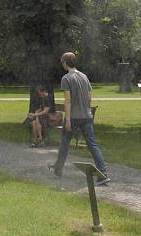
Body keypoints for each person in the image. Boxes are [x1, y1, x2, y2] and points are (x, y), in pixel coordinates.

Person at [47, 52, 109, 184]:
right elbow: (89, 97)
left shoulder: (66, 78)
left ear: (65, 63)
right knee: (92, 145)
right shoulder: (84, 76)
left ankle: (58, 169)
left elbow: (68, 100)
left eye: (62, 62)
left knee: (64, 143)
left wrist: (68, 119)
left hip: (73, 117)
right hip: (86, 116)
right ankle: (103, 173)